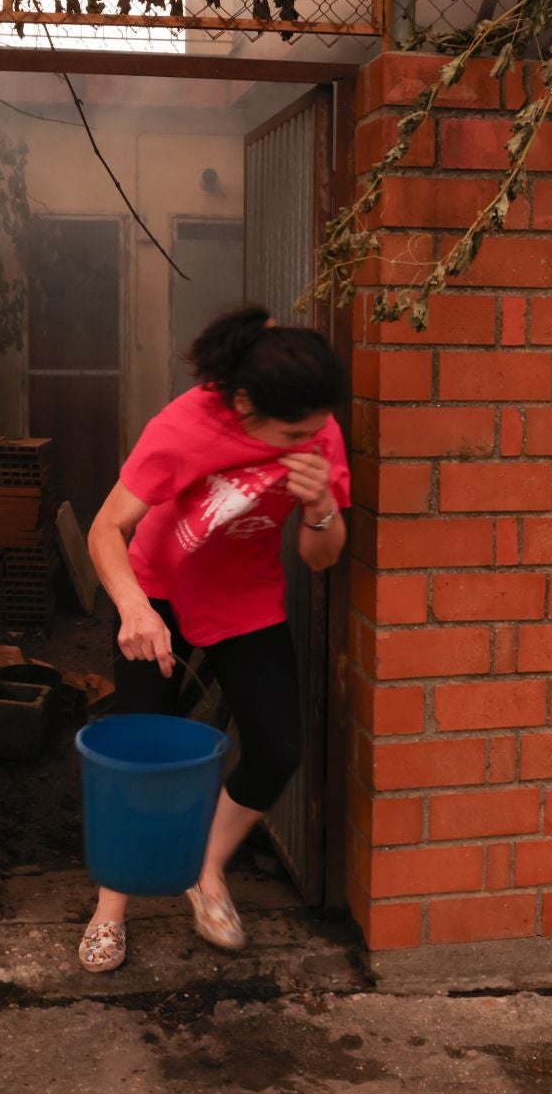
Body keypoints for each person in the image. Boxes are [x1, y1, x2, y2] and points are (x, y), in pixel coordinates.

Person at [78, 306, 349, 973]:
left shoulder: (317, 428)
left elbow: (322, 558)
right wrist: (134, 609)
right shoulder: (184, 425)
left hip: (244, 601)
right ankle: (111, 905)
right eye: (292, 432)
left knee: (279, 746)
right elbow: (104, 529)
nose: (307, 441)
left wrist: (320, 509)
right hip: (157, 591)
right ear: (245, 402)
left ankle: (207, 872)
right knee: (139, 751)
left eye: (315, 430)